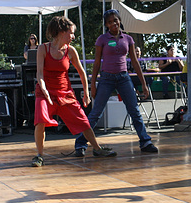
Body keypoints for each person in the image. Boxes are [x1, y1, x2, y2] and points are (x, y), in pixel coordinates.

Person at [32, 16, 117, 167]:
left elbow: (82, 72)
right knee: (40, 121)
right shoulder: (43, 49)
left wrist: (86, 92)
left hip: (65, 92)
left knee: (84, 121)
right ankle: (39, 156)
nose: (73, 36)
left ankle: (97, 149)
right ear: (61, 32)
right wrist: (43, 87)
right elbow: (39, 73)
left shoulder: (70, 51)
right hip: (45, 92)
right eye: (71, 32)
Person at [74, 9, 158, 155]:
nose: (114, 24)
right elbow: (96, 64)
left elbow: (135, 62)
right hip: (106, 79)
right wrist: (92, 85)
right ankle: (80, 144)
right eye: (110, 22)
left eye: (115, 20)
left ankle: (145, 142)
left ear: (119, 20)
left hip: (124, 78)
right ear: (106, 25)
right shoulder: (102, 39)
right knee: (96, 113)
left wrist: (143, 84)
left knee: (134, 111)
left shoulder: (128, 39)